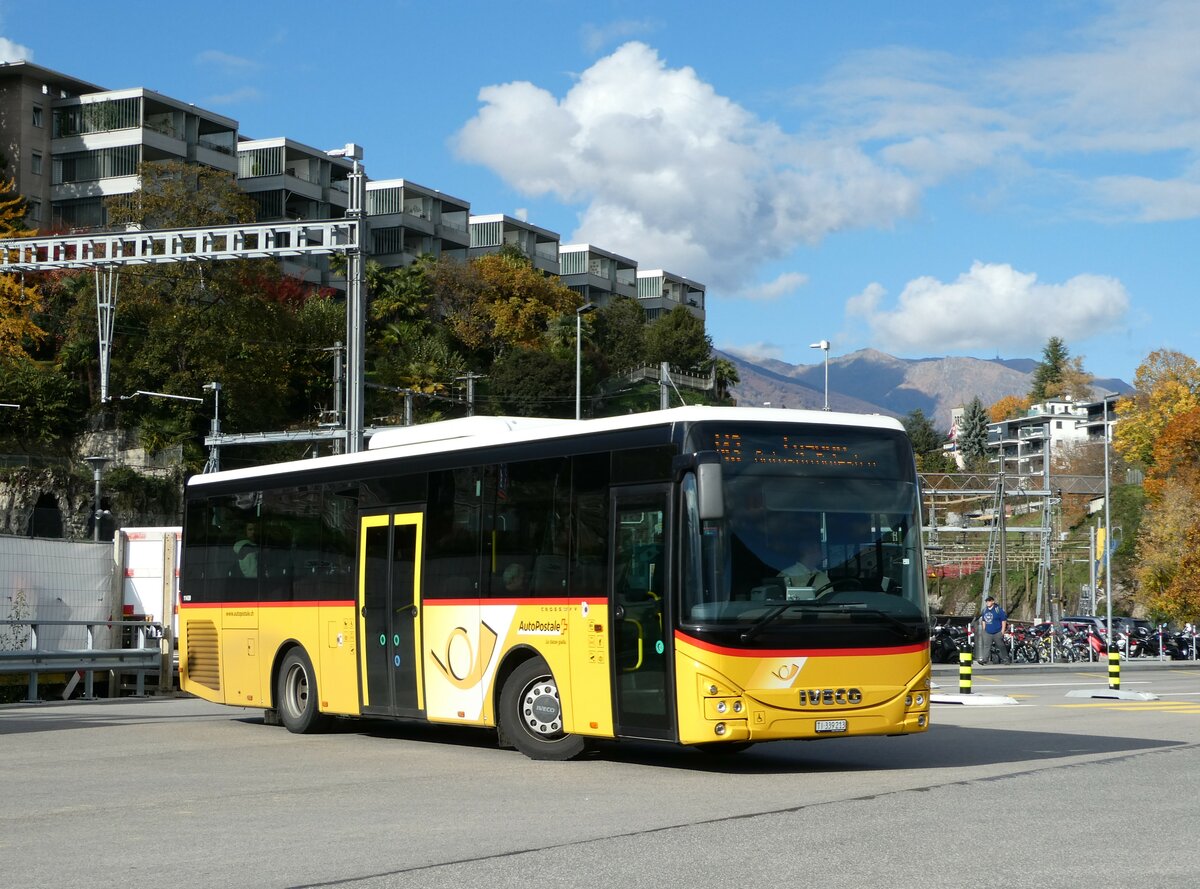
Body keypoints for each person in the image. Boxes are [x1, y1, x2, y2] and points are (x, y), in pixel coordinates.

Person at [978, 595, 1010, 664]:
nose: (988, 602)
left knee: (1000, 646)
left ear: (993, 602)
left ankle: (1005, 659)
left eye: (989, 601)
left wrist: (1002, 631)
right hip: (988, 632)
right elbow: (983, 620)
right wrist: (984, 630)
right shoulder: (985, 610)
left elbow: (1003, 620)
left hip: (997, 632)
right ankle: (984, 659)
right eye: (987, 601)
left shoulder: (998, 609)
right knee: (986, 646)